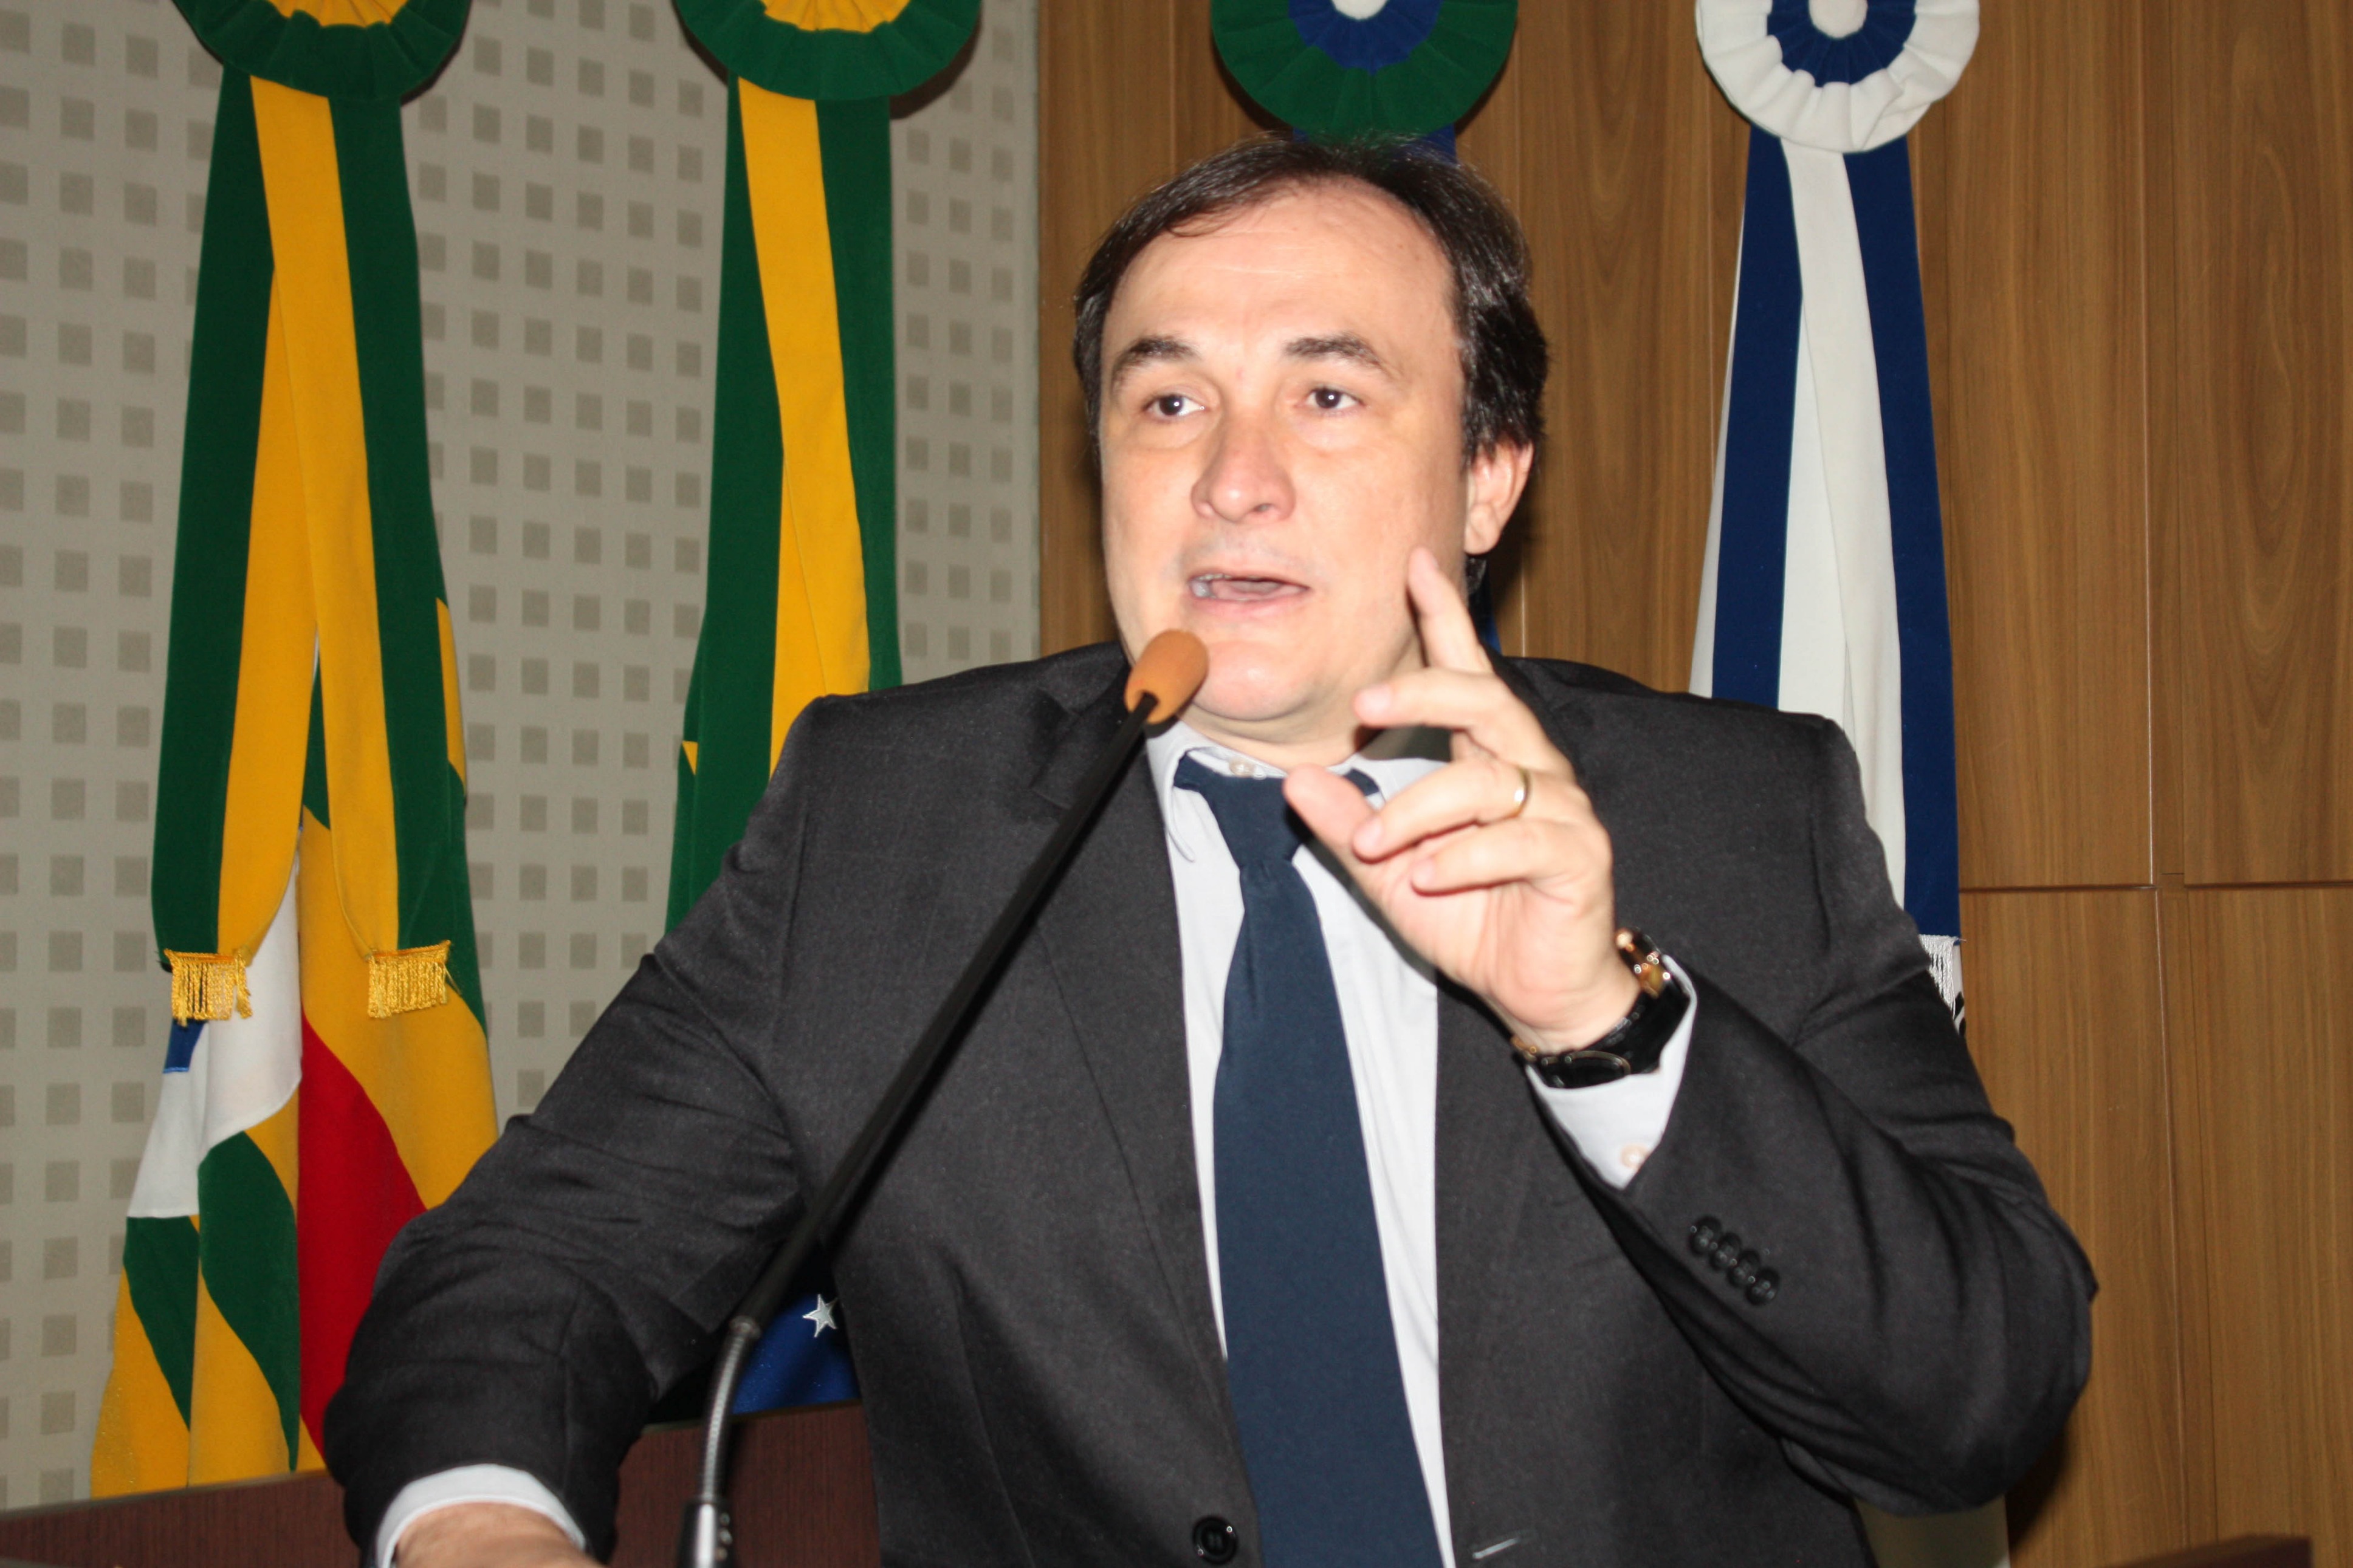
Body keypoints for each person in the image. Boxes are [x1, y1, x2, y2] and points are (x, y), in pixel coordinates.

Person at [327, 136, 2094, 1568]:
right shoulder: (889, 829)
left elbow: (1979, 1400)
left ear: (1489, 478)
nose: (1233, 479)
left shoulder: (1734, 816)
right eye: (1167, 404)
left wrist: (1603, 1028)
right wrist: (484, 1532)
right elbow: (524, 1273)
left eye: (1329, 397)